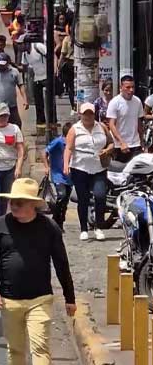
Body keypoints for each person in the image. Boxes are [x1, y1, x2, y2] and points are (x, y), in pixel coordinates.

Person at [0, 178, 77, 365]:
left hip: (40, 299)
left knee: (40, 347)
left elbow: (61, 263)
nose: (14, 206)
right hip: (9, 300)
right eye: (12, 202)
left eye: (20, 202)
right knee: (15, 349)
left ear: (33, 204)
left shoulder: (49, 228)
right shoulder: (0, 226)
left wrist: (70, 297)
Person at [64, 103, 114, 241]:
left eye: (90, 113)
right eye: (85, 113)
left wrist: (108, 150)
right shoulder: (75, 129)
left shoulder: (101, 127)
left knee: (100, 195)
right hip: (80, 167)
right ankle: (84, 228)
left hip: (98, 167)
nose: (88, 116)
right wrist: (66, 165)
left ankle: (98, 226)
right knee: (83, 198)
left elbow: (111, 142)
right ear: (80, 114)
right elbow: (68, 148)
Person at [107, 75, 145, 163]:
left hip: (135, 144)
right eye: (128, 87)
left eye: (133, 87)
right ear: (121, 87)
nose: (131, 90)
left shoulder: (137, 101)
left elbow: (139, 122)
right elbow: (112, 125)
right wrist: (121, 142)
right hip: (119, 146)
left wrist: (142, 141)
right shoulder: (115, 102)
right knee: (121, 173)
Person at [43, 122, 73, 230]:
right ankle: (56, 219)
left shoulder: (74, 143)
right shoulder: (58, 142)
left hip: (69, 176)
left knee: (65, 200)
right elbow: (45, 152)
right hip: (58, 174)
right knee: (62, 195)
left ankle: (60, 220)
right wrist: (47, 167)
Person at [21, 39, 48, 127]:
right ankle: (40, 121)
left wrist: (54, 71)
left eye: (22, 44)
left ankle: (52, 120)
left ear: (27, 43)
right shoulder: (24, 54)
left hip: (47, 76)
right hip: (37, 78)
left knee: (49, 100)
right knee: (38, 101)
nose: (20, 47)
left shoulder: (38, 47)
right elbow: (23, 67)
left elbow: (52, 56)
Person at [57, 31, 76, 115]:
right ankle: (76, 106)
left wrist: (59, 66)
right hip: (79, 64)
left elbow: (63, 54)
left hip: (69, 64)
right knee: (75, 87)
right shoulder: (80, 39)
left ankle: (74, 107)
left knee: (71, 87)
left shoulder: (67, 39)